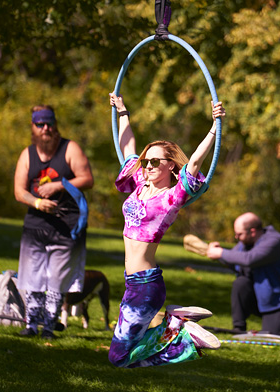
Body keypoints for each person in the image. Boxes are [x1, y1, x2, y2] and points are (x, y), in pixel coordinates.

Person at [108, 92, 225, 368]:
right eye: (147, 161)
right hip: (133, 282)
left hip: (146, 285)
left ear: (170, 165)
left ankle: (182, 333)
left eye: (155, 162)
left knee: (119, 358)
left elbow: (195, 162)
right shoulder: (139, 183)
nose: (148, 166)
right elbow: (128, 148)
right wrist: (122, 112)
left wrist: (214, 127)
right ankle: (174, 323)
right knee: (126, 352)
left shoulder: (173, 196)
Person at [14, 105, 94, 339]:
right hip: (35, 225)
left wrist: (60, 184)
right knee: (32, 275)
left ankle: (49, 327)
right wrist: (37, 203)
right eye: (40, 124)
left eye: (49, 123)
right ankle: (31, 325)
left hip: (67, 224)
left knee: (57, 278)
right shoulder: (27, 154)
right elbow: (19, 191)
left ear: (55, 124)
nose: (46, 128)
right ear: (33, 127)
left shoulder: (70, 149)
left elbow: (87, 179)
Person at [207, 212, 280, 335]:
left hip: (278, 302)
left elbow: (249, 259)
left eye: (239, 234)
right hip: (259, 297)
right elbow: (234, 261)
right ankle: (238, 327)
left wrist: (221, 253)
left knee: (273, 335)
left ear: (252, 231)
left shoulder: (274, 242)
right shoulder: (246, 243)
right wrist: (215, 252)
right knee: (240, 283)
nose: (236, 237)